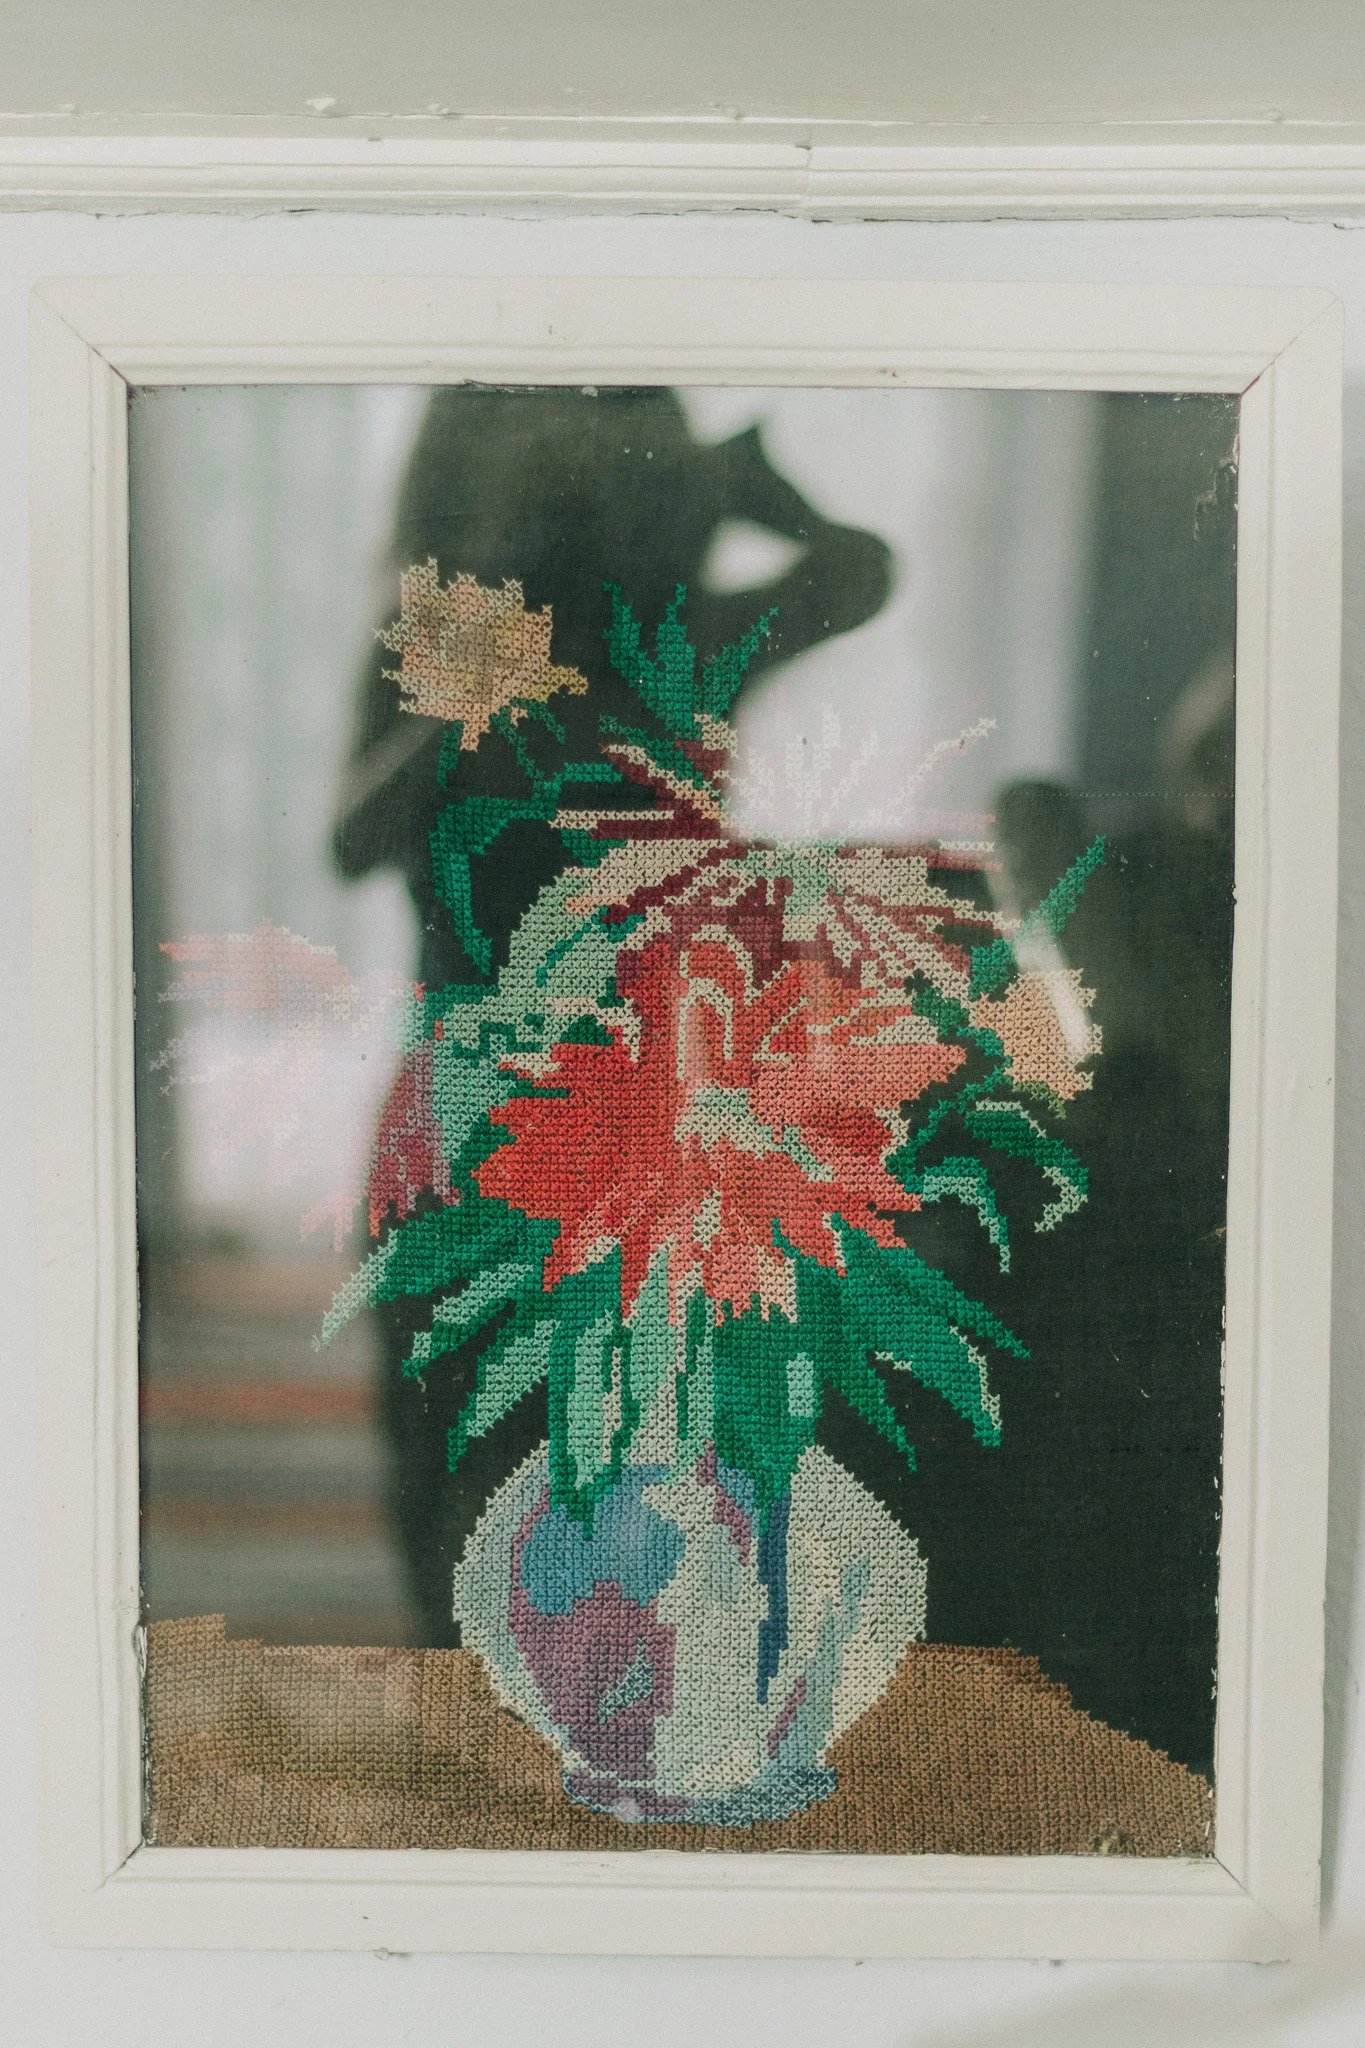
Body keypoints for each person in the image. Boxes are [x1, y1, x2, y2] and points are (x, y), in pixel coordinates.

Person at [334, 384, 894, 1642]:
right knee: (440, 1417)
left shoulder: (678, 632)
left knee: (610, 1449)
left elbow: (861, 571)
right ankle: (464, 1675)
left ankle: (576, 1713)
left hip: (637, 1103)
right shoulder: (444, 638)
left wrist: (745, 487)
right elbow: (354, 833)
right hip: (471, 1090)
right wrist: (481, 678)